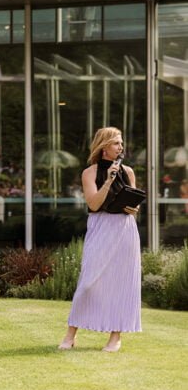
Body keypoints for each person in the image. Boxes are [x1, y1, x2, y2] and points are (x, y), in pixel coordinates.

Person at [58, 127, 141, 353]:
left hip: (124, 229)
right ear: (104, 146)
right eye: (116, 143)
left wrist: (133, 208)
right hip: (101, 226)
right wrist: (108, 181)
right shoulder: (89, 173)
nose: (121, 147)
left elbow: (134, 205)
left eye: (121, 143)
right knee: (88, 282)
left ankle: (115, 337)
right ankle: (71, 334)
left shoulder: (128, 171)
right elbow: (94, 204)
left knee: (122, 283)